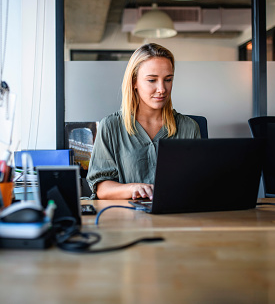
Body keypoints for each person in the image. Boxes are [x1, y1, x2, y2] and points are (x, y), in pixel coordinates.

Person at [86, 43, 200, 200]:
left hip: (177, 217)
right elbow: (102, 188)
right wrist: (134, 188)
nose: (162, 89)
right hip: (128, 218)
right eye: (152, 80)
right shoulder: (111, 126)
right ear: (134, 82)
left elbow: (199, 183)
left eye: (168, 79)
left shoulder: (189, 127)